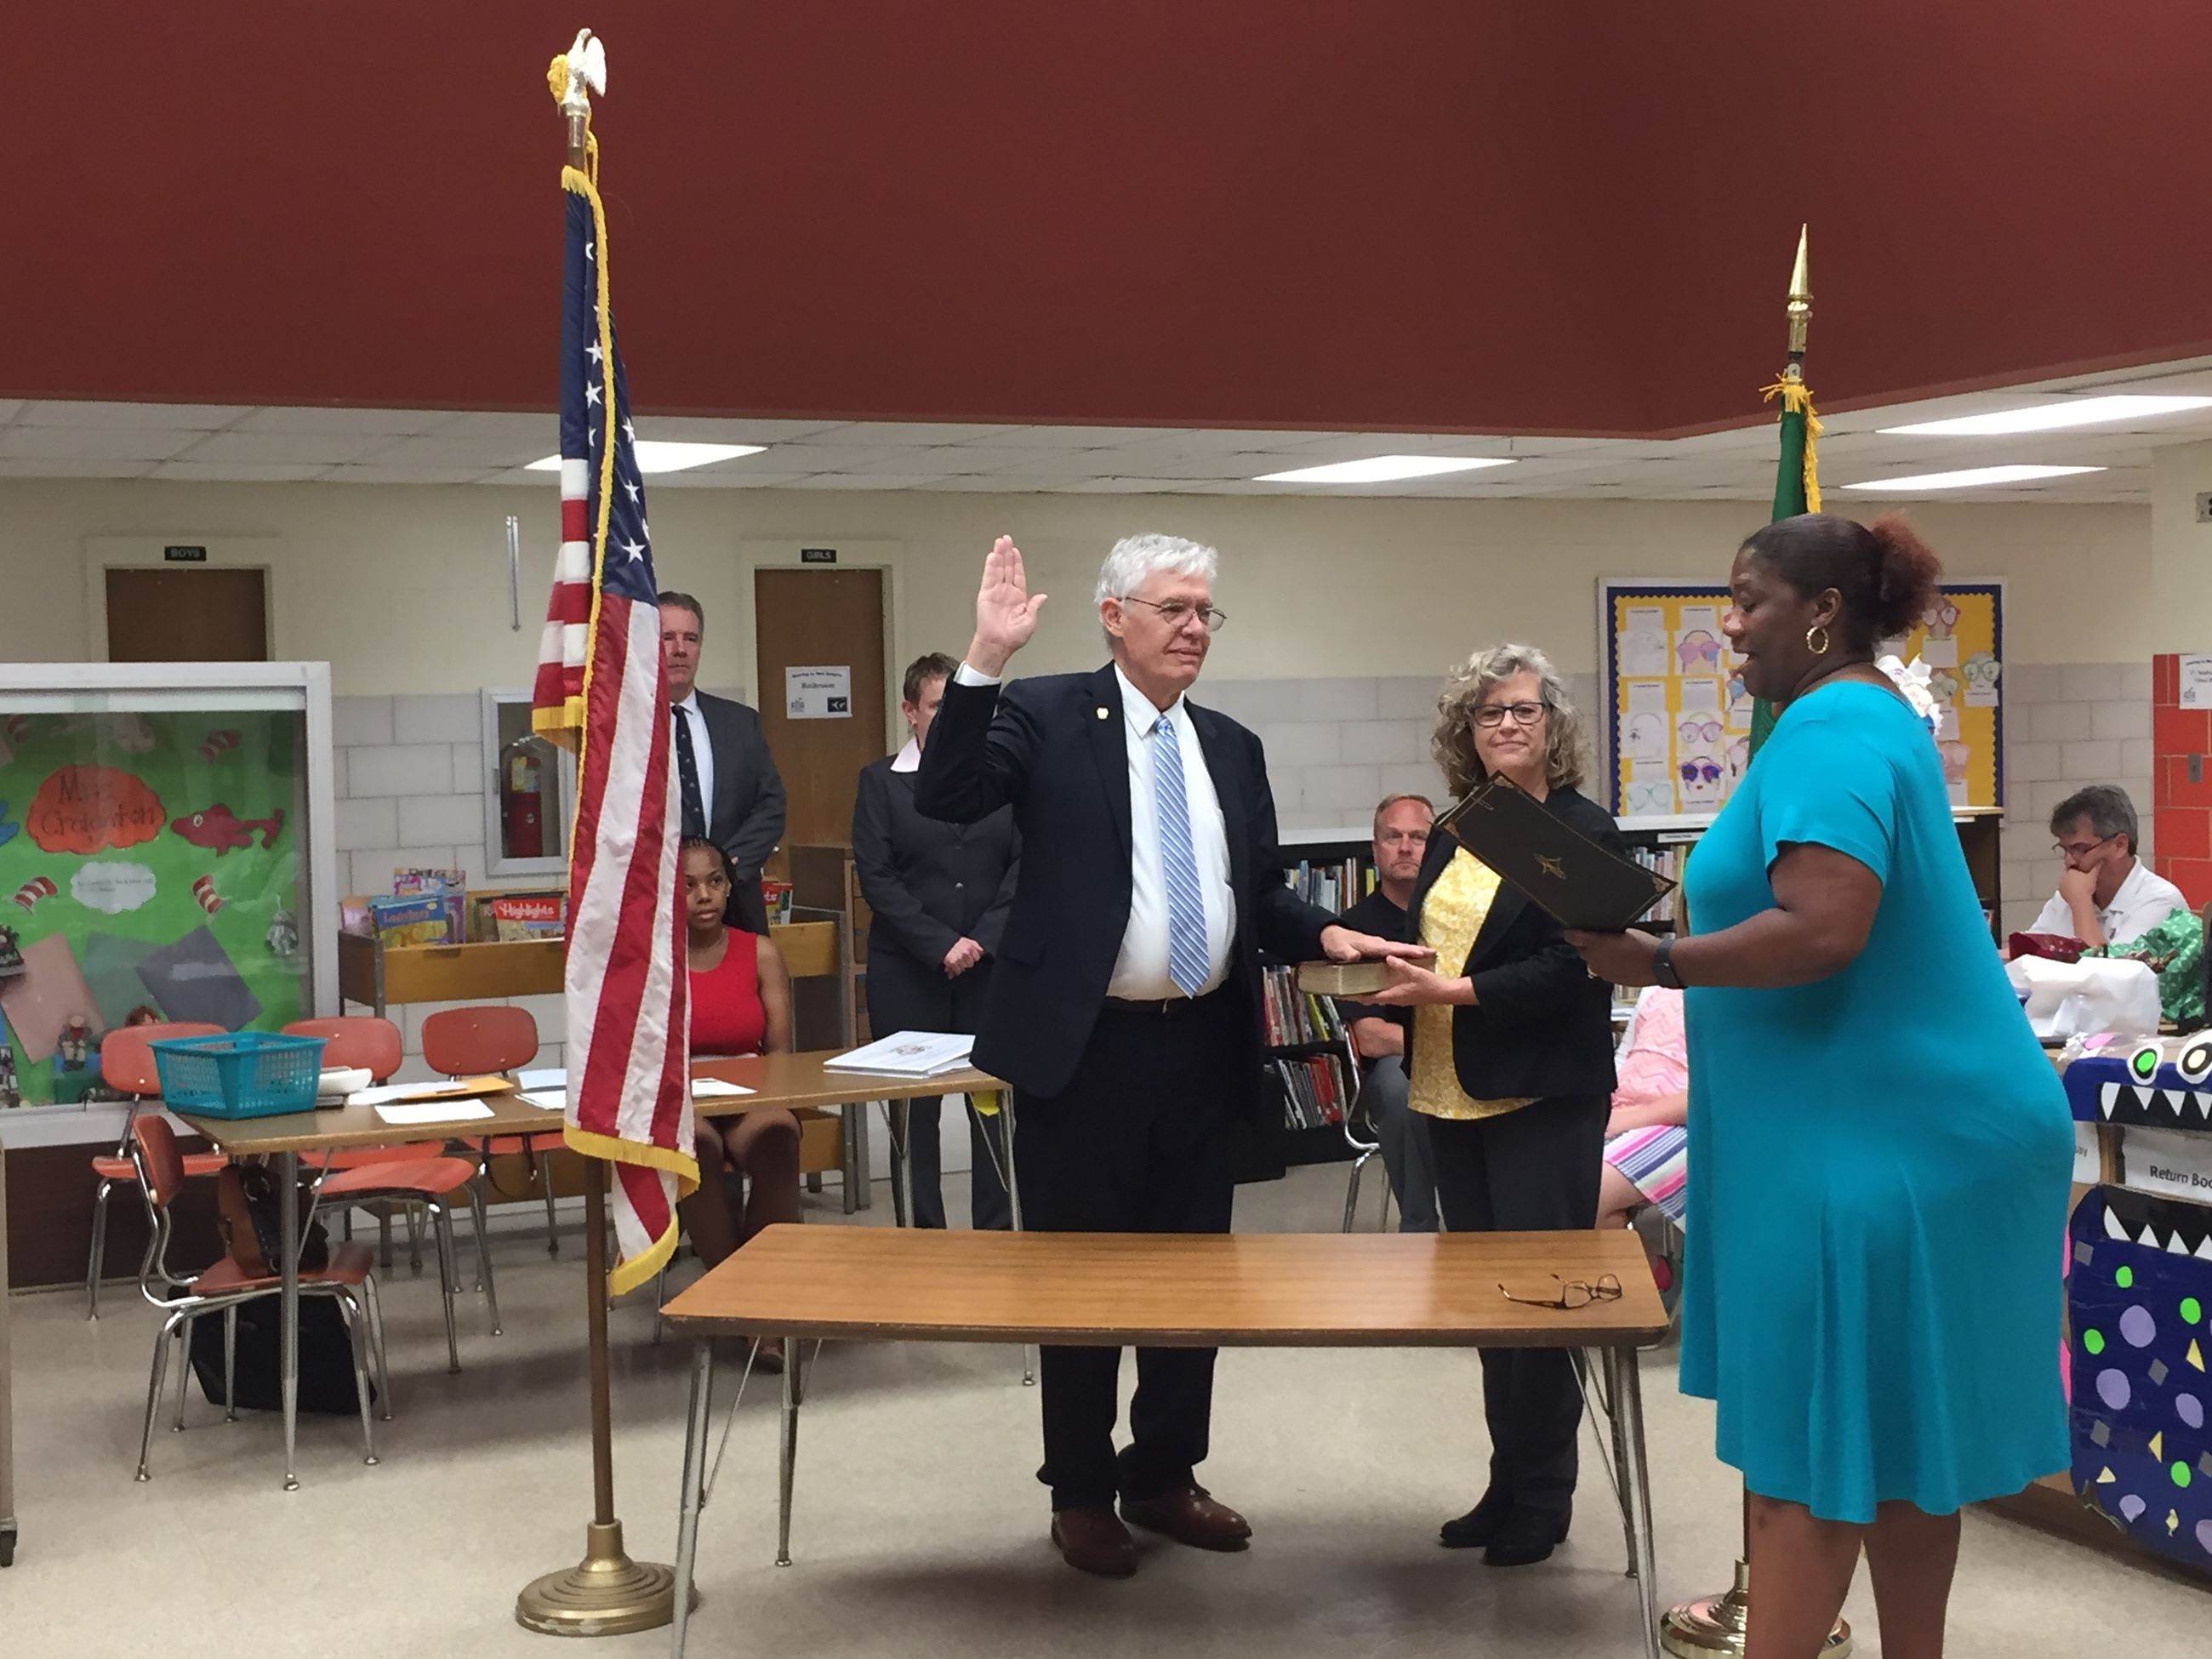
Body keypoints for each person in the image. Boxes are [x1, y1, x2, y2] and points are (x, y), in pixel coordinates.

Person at [1569, 512, 2072, 1659]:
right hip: (1899, 1129)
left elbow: (1823, 926)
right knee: (1893, 1443)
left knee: (1811, 1453)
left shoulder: (1832, 724)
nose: (1731, 623)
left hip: (1888, 1143)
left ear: (1824, 612)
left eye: (1747, 599)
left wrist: (1653, 960)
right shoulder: (1861, 716)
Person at [915, 533, 1420, 1579]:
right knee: (1082, 1286)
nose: (1194, 628)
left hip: (1200, 1046)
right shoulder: (1046, 713)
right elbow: (948, 792)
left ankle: (1161, 1475)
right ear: (1113, 616)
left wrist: (1327, 935)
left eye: (1205, 612)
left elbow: (1262, 893)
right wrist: (984, 657)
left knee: (1193, 1284)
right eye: (1173, 609)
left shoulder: (1230, 745)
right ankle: (1080, 1490)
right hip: (1083, 1053)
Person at [1365, 643, 1624, 1567]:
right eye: (1488, 714)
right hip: (1448, 1090)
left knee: (1539, 1307)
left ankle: (1544, 1498)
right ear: (1463, 736)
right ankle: (1505, 1479)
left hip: (1540, 1097)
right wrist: (1387, 968)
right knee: (1485, 1308)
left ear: (1551, 726)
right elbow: (1433, 933)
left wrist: (1458, 999)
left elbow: (1573, 966)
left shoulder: (1581, 828)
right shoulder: (1459, 825)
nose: (1507, 725)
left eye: (1523, 710)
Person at [852, 652, 1021, 1229]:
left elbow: (1023, 867)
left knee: (992, 1105)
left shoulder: (1004, 780)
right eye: (937, 707)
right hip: (909, 972)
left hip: (989, 969)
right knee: (914, 1117)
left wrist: (980, 940)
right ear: (910, 713)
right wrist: (941, 944)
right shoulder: (880, 783)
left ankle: (997, 1230)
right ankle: (923, 1237)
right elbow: (877, 876)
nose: (951, 720)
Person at [673, 837, 803, 1371]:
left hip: (752, 1094)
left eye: (715, 881)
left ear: (730, 888)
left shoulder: (761, 952)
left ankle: (753, 1302)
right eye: (687, 886)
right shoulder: (655, 964)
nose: (703, 895)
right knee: (692, 1146)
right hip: (685, 1103)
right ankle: (750, 1310)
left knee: (778, 1134)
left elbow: (780, 1054)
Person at [1335, 793, 1440, 1232]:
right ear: (1375, 849)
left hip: (1469, 1055)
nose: (1405, 847)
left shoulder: (1456, 917)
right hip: (1398, 1064)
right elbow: (1373, 1038)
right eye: (1392, 837)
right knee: (1402, 1090)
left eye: (1418, 837)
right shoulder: (1351, 930)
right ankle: (1419, 1228)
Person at [659, 590, 787, 934]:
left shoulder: (740, 723)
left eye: (691, 638)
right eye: (667, 638)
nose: (680, 649)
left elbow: (771, 805)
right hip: (657, 912)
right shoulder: (624, 730)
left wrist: (723, 872)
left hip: (737, 908)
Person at [2026, 784, 2182, 948]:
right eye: (2065, 849)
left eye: (2080, 849)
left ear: (2120, 845)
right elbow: (2027, 955)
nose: (2069, 861)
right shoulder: (2069, 895)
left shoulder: (2160, 901)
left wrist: (2081, 903)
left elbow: (2107, 972)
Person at [1595, 985, 1688, 1238]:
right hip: (1625, 1111)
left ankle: (1648, 1270)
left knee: (1592, 1191)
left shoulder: (1740, 996)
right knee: (1554, 1173)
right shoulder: (1657, 990)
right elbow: (1625, 1058)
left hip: (1688, 1124)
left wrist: (1623, 1120)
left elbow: (1716, 1092)